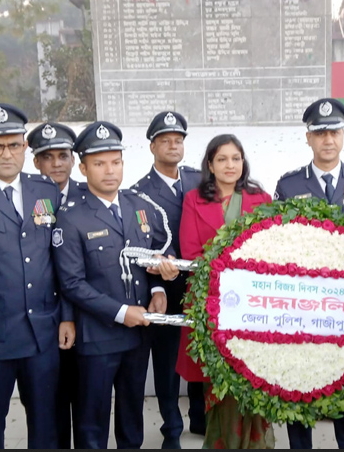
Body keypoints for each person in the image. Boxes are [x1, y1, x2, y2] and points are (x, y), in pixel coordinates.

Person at [52, 121, 180, 449]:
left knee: (131, 417)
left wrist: (159, 289)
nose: (110, 171)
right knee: (92, 423)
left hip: (138, 338)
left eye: (116, 161)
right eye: (99, 163)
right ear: (83, 168)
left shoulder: (140, 206)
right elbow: (72, 283)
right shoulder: (71, 216)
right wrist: (123, 312)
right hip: (98, 338)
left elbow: (154, 254)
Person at [274, 98, 344, 449]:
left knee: (343, 378)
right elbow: (278, 243)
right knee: (299, 378)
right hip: (303, 305)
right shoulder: (289, 186)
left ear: (343, 135)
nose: (328, 139)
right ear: (308, 138)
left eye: (334, 131)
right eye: (320, 133)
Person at [176, 133, 273, 449]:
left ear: (243, 162)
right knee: (221, 382)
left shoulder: (262, 199)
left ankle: (256, 443)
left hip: (254, 306)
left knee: (253, 377)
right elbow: (191, 252)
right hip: (213, 305)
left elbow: (272, 252)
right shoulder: (194, 199)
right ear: (210, 165)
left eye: (236, 158)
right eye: (222, 159)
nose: (230, 165)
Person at [132, 111, 204, 449]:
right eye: (165, 140)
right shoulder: (138, 194)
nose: (173, 146)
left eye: (178, 140)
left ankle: (201, 418)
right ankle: (171, 430)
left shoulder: (201, 180)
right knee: (167, 363)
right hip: (165, 288)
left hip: (202, 287)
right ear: (152, 147)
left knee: (202, 353)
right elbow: (137, 245)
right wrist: (157, 278)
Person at [0, 104, 65, 449]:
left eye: (13, 144)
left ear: (25, 148)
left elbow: (60, 260)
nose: (6, 153)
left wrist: (64, 317)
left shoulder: (46, 191)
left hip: (41, 333)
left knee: (45, 424)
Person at [27, 121, 86, 449]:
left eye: (63, 155)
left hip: (83, 313)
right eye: (47, 157)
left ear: (73, 159)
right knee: (48, 398)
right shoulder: (26, 200)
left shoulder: (87, 195)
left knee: (84, 393)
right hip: (43, 316)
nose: (56, 164)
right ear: (36, 161)